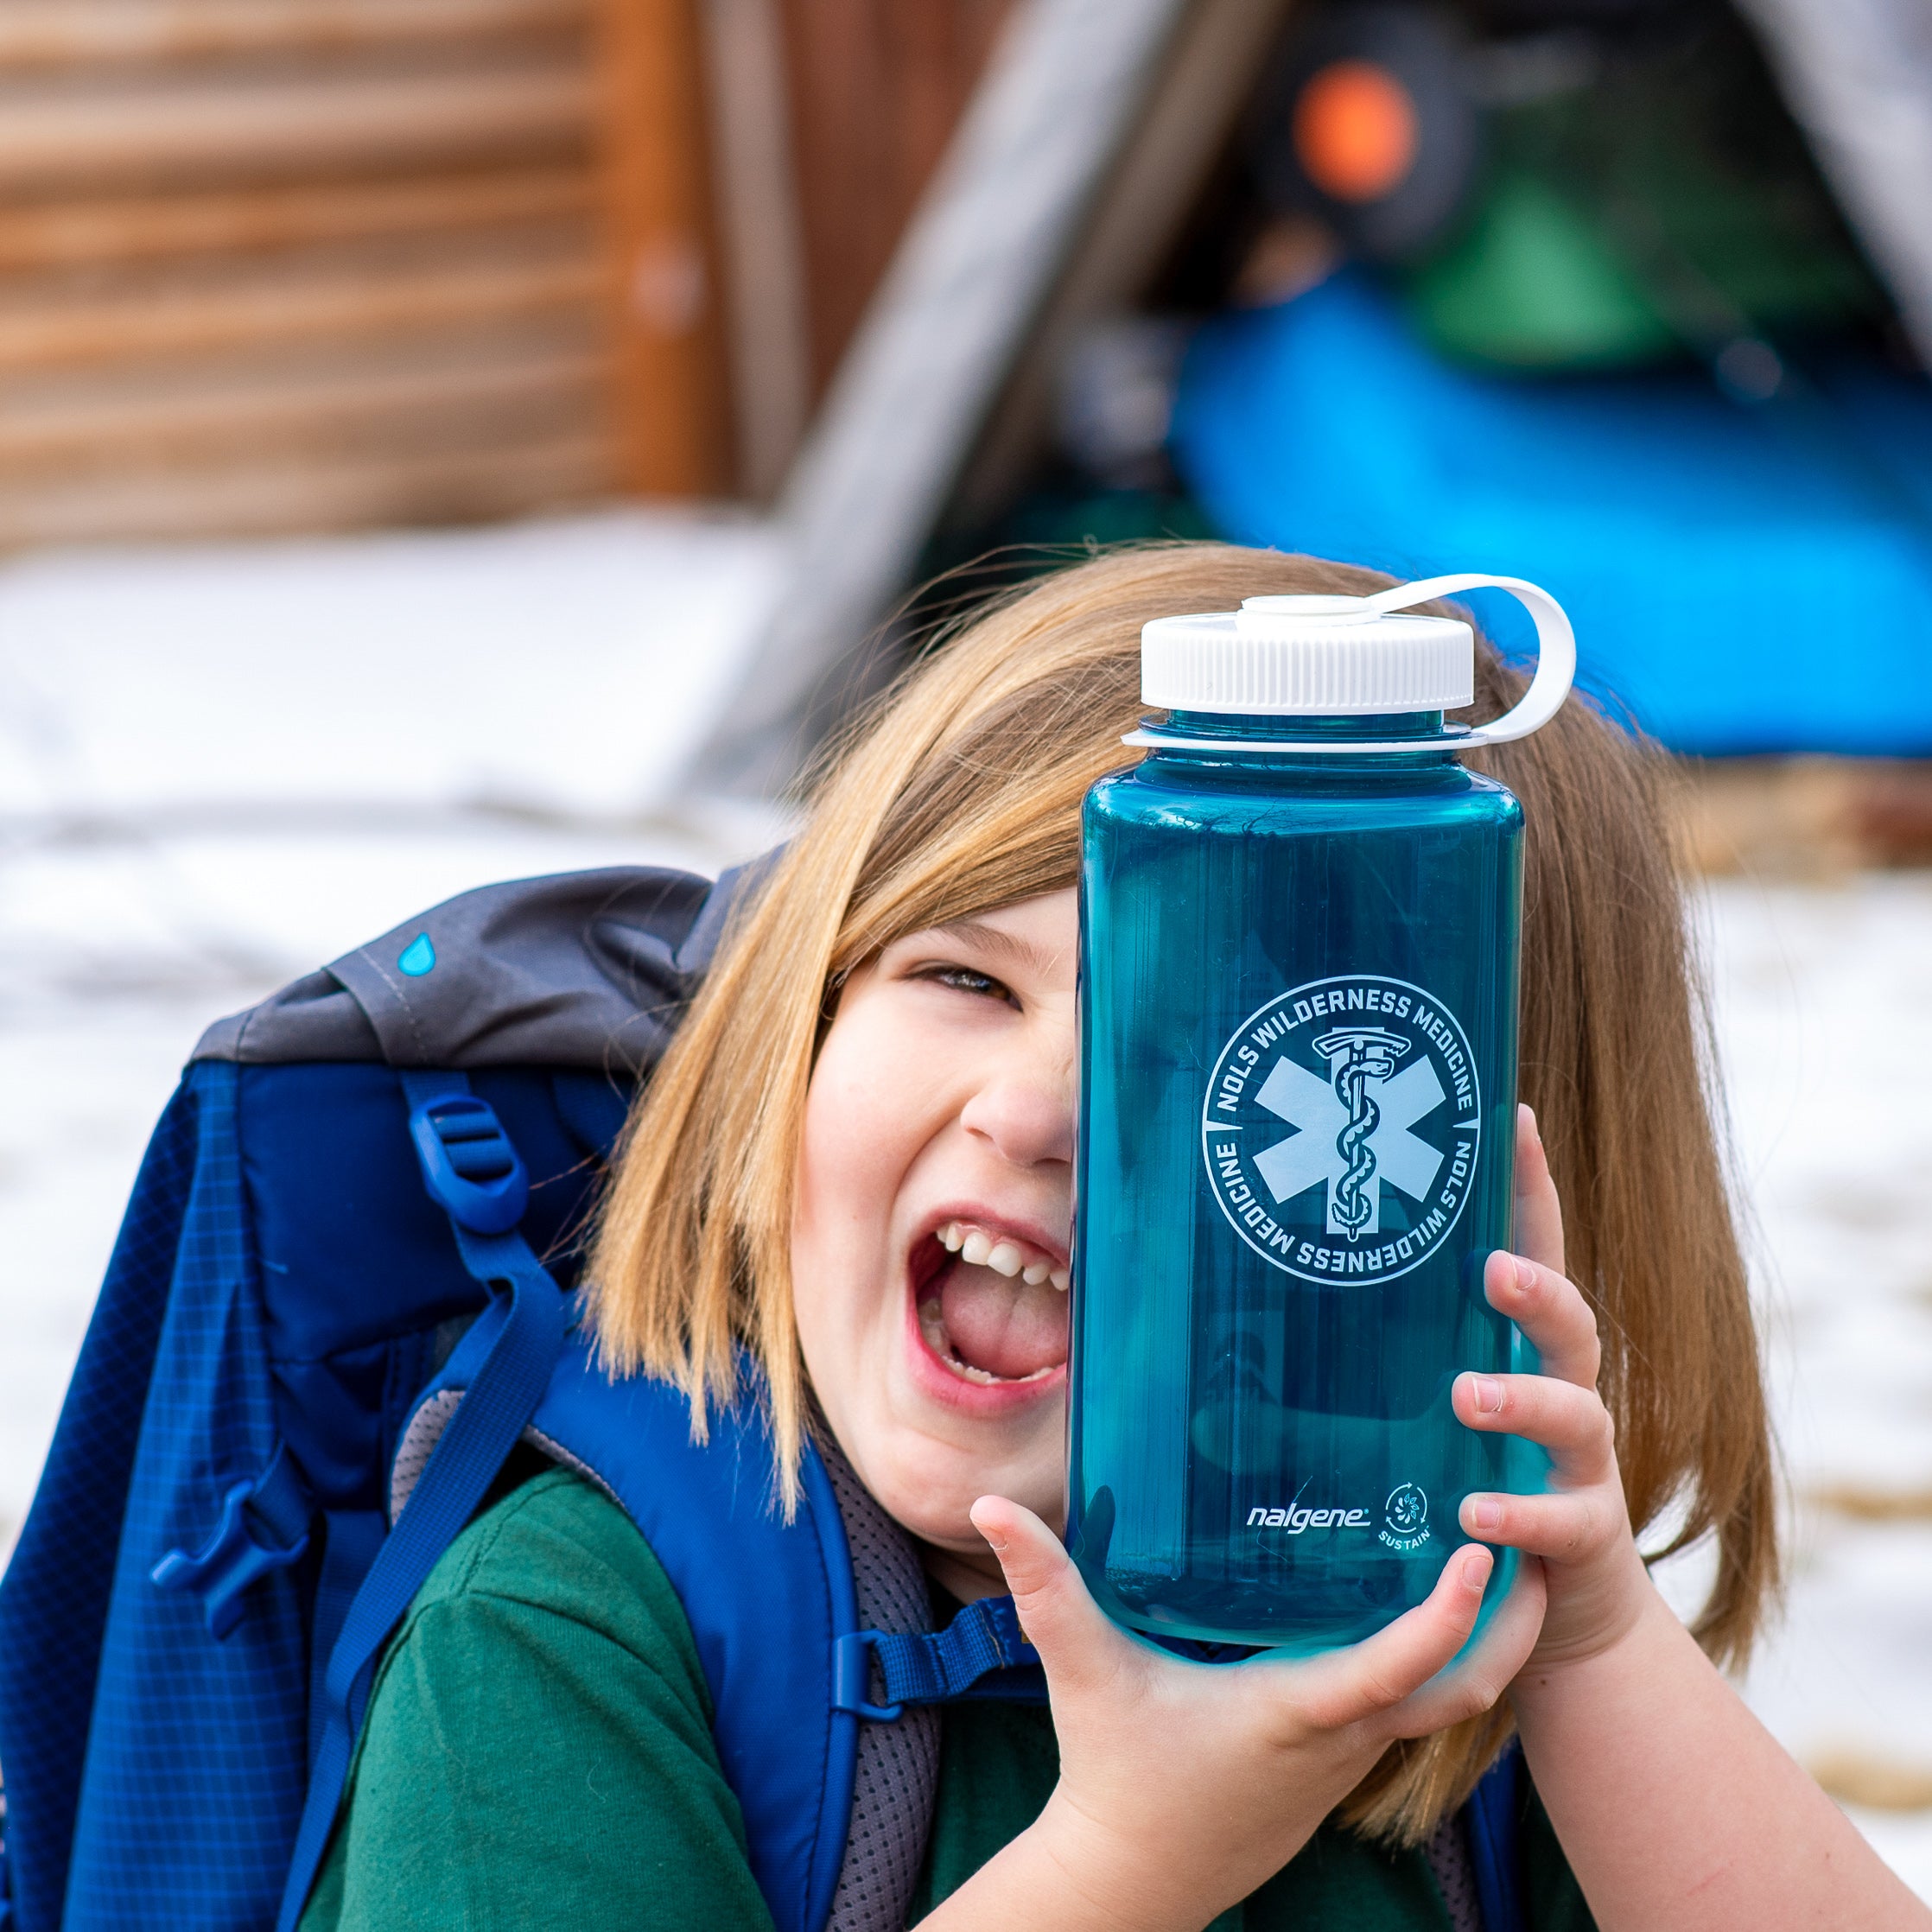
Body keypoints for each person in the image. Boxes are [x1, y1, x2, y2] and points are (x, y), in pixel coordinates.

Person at [298, 545, 1928, 1931]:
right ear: (781, 1046)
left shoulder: (1477, 1689)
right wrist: (1129, 1862)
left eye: (1202, 1046)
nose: (1040, 1112)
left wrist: (1593, 1651)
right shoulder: (561, 1642)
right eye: (962, 979)